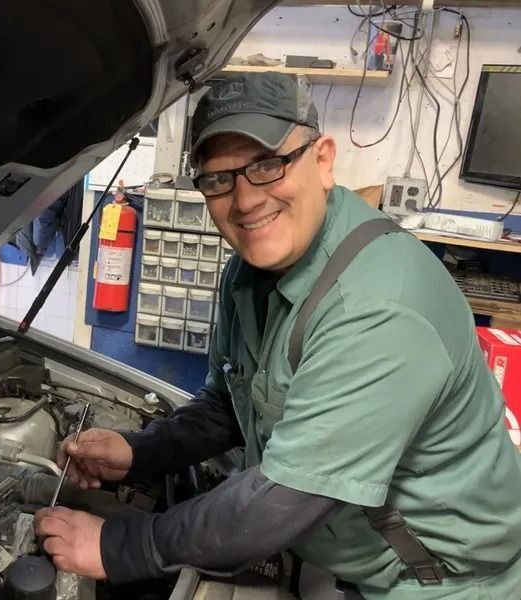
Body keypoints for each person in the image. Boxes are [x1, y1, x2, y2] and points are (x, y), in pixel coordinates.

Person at [34, 71, 521, 598]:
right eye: (219, 179)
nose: (244, 200)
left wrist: (122, 547)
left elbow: (284, 498)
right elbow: (228, 407)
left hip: (436, 581)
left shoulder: (378, 308)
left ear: (324, 159)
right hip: (341, 552)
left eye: (267, 165)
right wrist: (140, 452)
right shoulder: (249, 273)